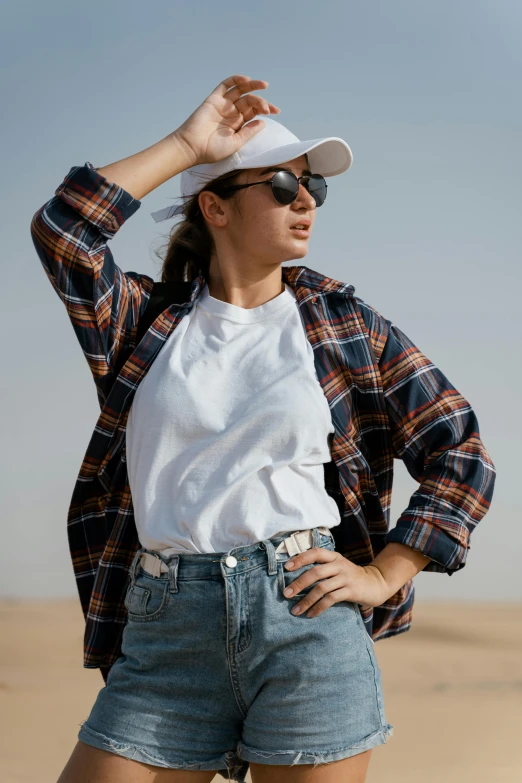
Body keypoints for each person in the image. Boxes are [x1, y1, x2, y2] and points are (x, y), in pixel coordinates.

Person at [30, 74, 496, 783]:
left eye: (313, 187)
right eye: (281, 184)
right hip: (166, 631)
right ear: (213, 206)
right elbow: (65, 231)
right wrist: (189, 146)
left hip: (304, 621)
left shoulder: (345, 325)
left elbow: (457, 445)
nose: (305, 198)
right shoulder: (142, 324)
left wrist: (384, 573)